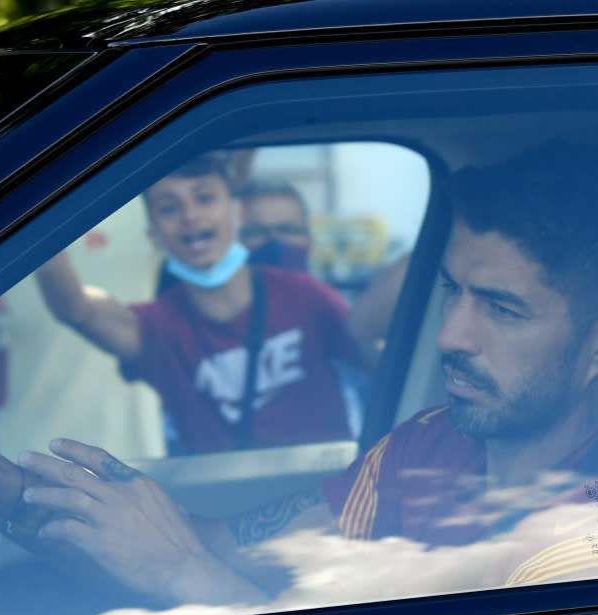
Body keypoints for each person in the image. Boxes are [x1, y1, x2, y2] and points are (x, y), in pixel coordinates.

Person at [0, 141, 598, 607]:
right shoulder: (426, 447)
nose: (451, 336)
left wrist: (183, 576)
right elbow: (230, 546)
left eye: (501, 308)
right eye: (450, 292)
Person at [34, 153, 370, 456]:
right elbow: (75, 308)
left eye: (205, 198)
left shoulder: (306, 296)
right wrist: (37, 206)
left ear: (238, 212)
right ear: (154, 235)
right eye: (169, 207)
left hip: (323, 496)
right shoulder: (157, 328)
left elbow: (376, 359)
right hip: (221, 506)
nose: (190, 215)